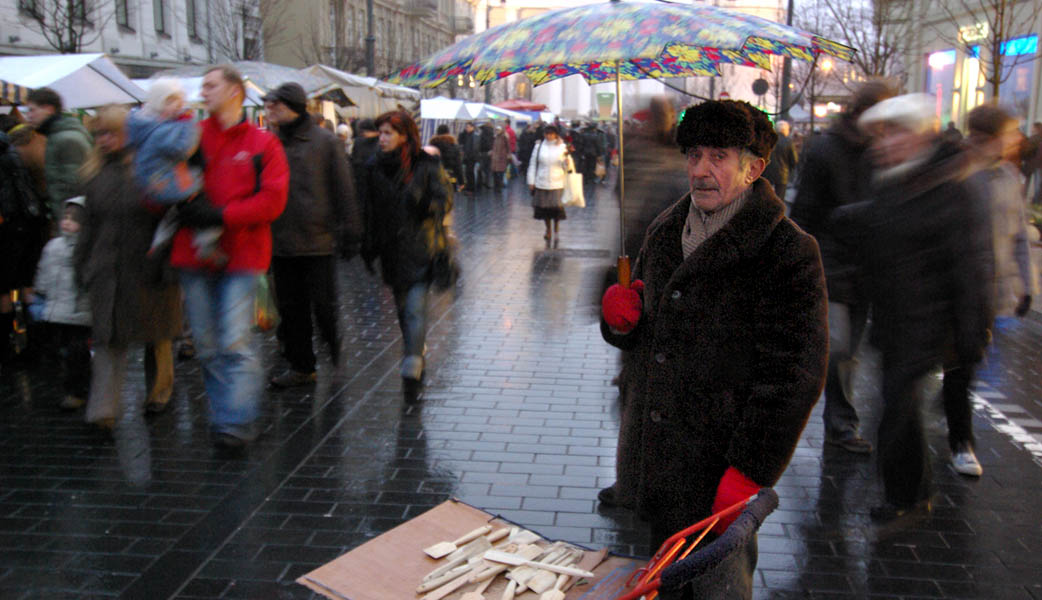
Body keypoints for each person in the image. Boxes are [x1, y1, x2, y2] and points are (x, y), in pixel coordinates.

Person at [598, 100, 827, 594]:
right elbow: (646, 338)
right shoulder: (665, 230)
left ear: (754, 168)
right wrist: (622, 322)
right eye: (694, 155)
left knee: (718, 588)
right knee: (665, 584)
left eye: (718, 157)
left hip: (722, 466)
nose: (701, 170)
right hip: (662, 461)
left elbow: (795, 375)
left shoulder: (786, 251)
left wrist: (750, 470)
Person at [834, 94, 992, 520]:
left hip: (927, 323)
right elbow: (882, 231)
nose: (885, 144)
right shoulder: (895, 181)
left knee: (897, 411)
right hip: (895, 319)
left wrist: (972, 334)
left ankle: (905, 497)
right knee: (898, 408)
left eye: (895, 133)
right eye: (881, 136)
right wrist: (848, 221)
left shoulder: (949, 188)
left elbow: (969, 266)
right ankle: (913, 491)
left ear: (919, 136)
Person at [171, 65, 289, 449]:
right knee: (206, 346)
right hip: (194, 255)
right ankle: (228, 414)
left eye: (211, 85)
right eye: (202, 85)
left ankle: (236, 421)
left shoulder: (262, 143)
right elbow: (159, 183)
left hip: (242, 256)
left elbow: (272, 202)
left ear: (235, 90)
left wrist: (222, 215)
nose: (203, 91)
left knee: (234, 341)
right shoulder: (190, 137)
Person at [789, 81, 895, 454]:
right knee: (838, 348)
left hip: (865, 268)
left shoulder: (883, 152)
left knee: (848, 351)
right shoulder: (825, 149)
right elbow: (805, 210)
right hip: (830, 263)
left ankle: (840, 423)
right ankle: (840, 423)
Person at [74, 105, 184, 429]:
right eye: (99, 134)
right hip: (107, 269)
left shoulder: (156, 169)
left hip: (150, 267)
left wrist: (169, 265)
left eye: (111, 133)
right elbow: (88, 226)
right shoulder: (96, 175)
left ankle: (159, 392)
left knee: (157, 335)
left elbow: (174, 220)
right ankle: (103, 411)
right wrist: (82, 265)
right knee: (108, 338)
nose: (104, 140)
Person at [943, 104, 1038, 477]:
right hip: (959, 289)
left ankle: (951, 413)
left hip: (990, 291)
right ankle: (961, 443)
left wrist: (1026, 285)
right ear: (991, 136)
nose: (1016, 140)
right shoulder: (960, 174)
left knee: (967, 362)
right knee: (961, 365)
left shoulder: (1010, 178)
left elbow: (1019, 234)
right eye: (1011, 133)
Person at [263, 82, 362, 388]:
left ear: (292, 107)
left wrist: (351, 232)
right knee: (291, 309)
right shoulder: (270, 142)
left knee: (323, 307)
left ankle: (333, 346)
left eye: (276, 105)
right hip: (281, 240)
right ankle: (302, 367)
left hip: (317, 240)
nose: (270, 110)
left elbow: (344, 189)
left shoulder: (325, 141)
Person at [358, 110, 453, 403]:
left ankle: (413, 359)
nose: (382, 138)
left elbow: (445, 199)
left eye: (388, 133)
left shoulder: (426, 164)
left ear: (404, 136)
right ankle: (415, 346)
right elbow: (368, 208)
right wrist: (367, 242)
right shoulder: (373, 167)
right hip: (391, 250)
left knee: (414, 308)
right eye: (380, 133)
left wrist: (423, 203)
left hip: (422, 246)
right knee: (402, 307)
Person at [126, 78, 222, 264]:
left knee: (173, 212)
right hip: (166, 182)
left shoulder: (141, 124)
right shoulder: (164, 129)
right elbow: (183, 150)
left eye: (179, 101)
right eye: (171, 101)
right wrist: (189, 126)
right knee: (201, 202)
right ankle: (207, 242)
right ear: (159, 103)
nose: (177, 106)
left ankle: (159, 240)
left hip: (149, 183)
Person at [32, 197, 92, 410]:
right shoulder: (53, 246)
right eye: (65, 217)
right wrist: (40, 291)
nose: (66, 222)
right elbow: (44, 271)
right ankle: (75, 385)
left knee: (76, 352)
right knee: (65, 350)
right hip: (57, 310)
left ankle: (77, 390)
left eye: (73, 219)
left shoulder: (87, 248)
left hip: (79, 312)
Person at [0, 124, 51, 367]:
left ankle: (7, 349)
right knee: (26, 286)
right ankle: (36, 346)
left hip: (9, 229)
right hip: (30, 225)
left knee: (4, 290)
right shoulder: (11, 151)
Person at [24, 87, 93, 223]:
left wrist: (69, 222)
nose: (28, 116)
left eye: (32, 110)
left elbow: (74, 188)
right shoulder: (57, 136)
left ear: (49, 109)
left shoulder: (66, 139)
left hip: (72, 220)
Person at [526, 125, 572, 241]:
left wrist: (566, 163)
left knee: (556, 208)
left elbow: (568, 167)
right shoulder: (539, 147)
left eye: (551, 134)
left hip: (557, 182)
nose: (549, 136)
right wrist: (531, 181)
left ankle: (556, 227)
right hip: (542, 182)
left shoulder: (562, 147)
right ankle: (548, 230)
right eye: (546, 134)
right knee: (544, 209)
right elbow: (533, 164)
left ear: (556, 134)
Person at [762, 120, 798, 202]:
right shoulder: (788, 142)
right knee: (780, 199)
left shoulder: (768, 140)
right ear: (786, 130)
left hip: (767, 172)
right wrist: (791, 169)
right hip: (782, 175)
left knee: (766, 196)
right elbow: (794, 160)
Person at [429, 124, 464, 188]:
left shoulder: (431, 147)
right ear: (448, 133)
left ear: (437, 133)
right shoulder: (454, 146)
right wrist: (461, 181)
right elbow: (458, 165)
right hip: (450, 177)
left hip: (435, 178)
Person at [458, 122, 480, 194]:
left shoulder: (475, 135)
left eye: (468, 127)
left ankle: (471, 188)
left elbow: (475, 148)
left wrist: (472, 157)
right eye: (466, 127)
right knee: (467, 173)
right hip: (467, 157)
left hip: (471, 158)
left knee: (470, 173)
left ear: (472, 127)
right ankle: (469, 187)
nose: (466, 128)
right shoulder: (467, 135)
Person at [491, 125, 510, 191]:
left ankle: (499, 186)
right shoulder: (495, 137)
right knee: (495, 172)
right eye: (496, 130)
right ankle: (496, 186)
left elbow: (508, 147)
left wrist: (508, 155)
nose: (497, 131)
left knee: (501, 172)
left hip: (501, 157)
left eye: (498, 130)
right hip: (495, 158)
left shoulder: (504, 137)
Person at [479, 121, 495, 189]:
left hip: (482, 152)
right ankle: (487, 183)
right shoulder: (492, 132)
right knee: (488, 169)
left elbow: (480, 143)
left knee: (481, 168)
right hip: (490, 152)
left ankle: (481, 182)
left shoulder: (482, 132)